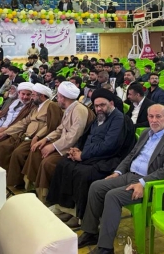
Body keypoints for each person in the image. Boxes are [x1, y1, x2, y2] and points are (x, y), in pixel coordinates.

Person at [78, 104, 164, 252]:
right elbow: (131, 155)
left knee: (113, 196)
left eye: (158, 117)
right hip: (130, 175)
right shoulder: (145, 133)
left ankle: (105, 248)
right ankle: (91, 233)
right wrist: (118, 172)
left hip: (151, 185)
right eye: (151, 116)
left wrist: (143, 183)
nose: (154, 120)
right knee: (96, 187)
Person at [47, 89, 134, 228]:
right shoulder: (99, 117)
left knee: (83, 173)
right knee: (64, 164)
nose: (99, 109)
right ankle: (65, 208)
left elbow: (109, 145)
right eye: (96, 106)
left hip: (110, 158)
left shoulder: (119, 119)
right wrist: (76, 149)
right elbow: (86, 136)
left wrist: (83, 155)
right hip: (92, 155)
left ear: (111, 103)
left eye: (102, 105)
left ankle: (79, 215)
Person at [20, 81, 91, 193]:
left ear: (63, 97)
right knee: (36, 149)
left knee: (47, 163)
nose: (56, 99)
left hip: (72, 147)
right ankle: (32, 187)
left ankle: (44, 194)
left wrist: (53, 146)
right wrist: (45, 139)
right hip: (62, 143)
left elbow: (74, 136)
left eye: (58, 96)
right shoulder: (69, 108)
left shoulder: (79, 110)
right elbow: (60, 128)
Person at [4, 84, 64, 186]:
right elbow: (24, 122)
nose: (32, 97)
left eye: (33, 95)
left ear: (42, 96)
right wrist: (6, 131)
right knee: (7, 147)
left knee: (18, 153)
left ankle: (18, 183)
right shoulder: (36, 108)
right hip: (27, 136)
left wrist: (37, 137)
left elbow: (51, 125)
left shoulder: (51, 106)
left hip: (40, 138)